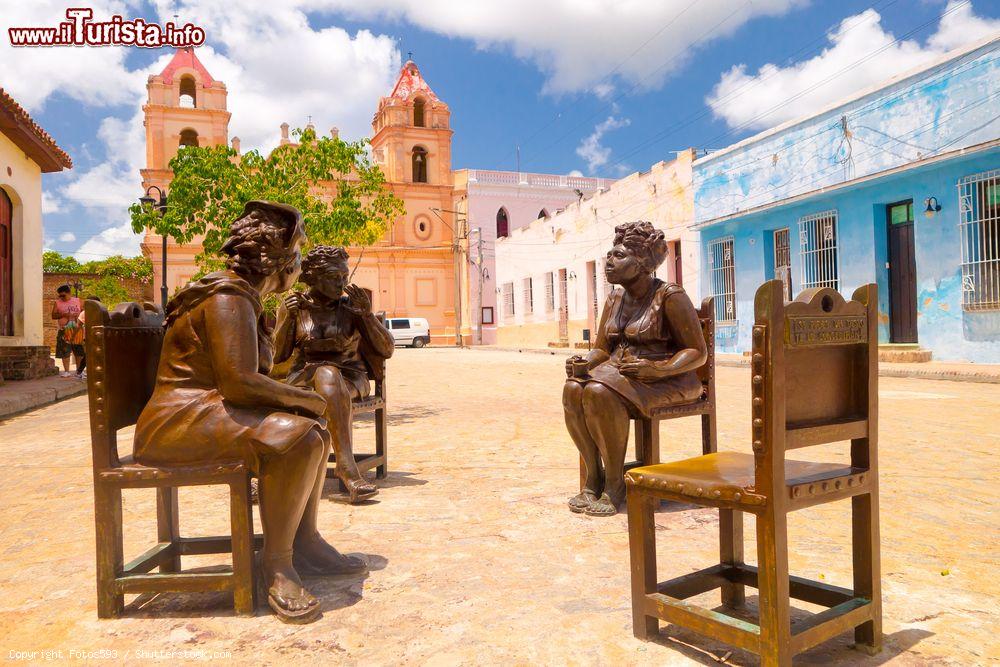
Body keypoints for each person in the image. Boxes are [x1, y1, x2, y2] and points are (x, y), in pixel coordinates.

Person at [134, 201, 365, 624]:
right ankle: (276, 564)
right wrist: (303, 399)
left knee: (311, 429)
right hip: (178, 421)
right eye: (296, 255)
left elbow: (260, 373)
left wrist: (302, 399)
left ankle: (305, 541)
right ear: (277, 259)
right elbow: (238, 382)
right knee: (298, 437)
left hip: (204, 411)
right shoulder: (228, 298)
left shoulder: (245, 298)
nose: (297, 265)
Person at [563, 221, 708, 517]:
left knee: (599, 392)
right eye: (609, 255)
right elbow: (602, 348)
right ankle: (595, 476)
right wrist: (584, 363)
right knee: (573, 388)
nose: (609, 262)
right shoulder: (615, 298)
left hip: (670, 378)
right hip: (622, 374)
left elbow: (697, 351)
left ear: (642, 263)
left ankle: (615, 483)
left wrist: (660, 369)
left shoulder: (670, 296)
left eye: (618, 256)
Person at [273, 245, 395, 503]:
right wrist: (286, 319)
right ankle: (272, 473)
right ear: (314, 277)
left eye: (344, 276)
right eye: (333, 277)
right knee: (312, 377)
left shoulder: (352, 307)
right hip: (304, 380)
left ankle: (346, 467)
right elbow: (277, 358)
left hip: (350, 378)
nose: (342, 283)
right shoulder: (296, 306)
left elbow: (387, 349)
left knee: (328, 373)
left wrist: (367, 315)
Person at [51, 284, 83, 377]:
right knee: (65, 350)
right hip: (64, 329)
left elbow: (85, 312)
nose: (61, 297)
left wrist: (79, 316)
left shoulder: (78, 301)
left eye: (63, 295)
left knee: (78, 351)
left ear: (69, 293)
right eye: (60, 295)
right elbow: (53, 315)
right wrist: (63, 315)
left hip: (77, 329)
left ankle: (79, 371)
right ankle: (66, 371)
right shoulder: (58, 303)